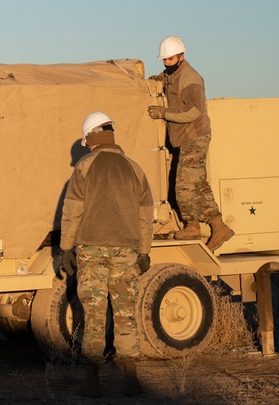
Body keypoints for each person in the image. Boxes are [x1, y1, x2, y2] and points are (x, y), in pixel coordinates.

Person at [60, 112, 154, 398]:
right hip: (127, 251)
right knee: (126, 315)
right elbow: (146, 215)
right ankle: (131, 380)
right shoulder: (134, 168)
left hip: (92, 251)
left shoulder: (85, 166)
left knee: (94, 315)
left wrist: (66, 248)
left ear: (91, 138)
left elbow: (73, 210)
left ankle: (92, 383)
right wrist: (144, 252)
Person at [148, 35, 235, 252]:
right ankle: (219, 226)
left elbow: (194, 111)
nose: (166, 63)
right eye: (164, 60)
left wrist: (163, 113)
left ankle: (192, 226)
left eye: (170, 59)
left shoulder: (191, 78)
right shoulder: (169, 75)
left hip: (194, 136)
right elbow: (163, 81)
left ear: (181, 56)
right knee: (198, 185)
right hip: (184, 139)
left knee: (184, 184)